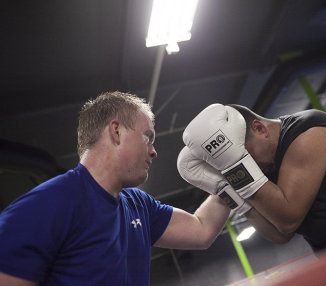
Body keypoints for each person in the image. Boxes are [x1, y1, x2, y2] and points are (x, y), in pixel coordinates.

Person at [0, 92, 233, 286]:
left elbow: (202, 231)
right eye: (147, 137)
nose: (154, 151)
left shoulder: (139, 204)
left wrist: (231, 172)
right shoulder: (48, 204)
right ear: (117, 131)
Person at [179, 103, 326, 285]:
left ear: (260, 128)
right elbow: (279, 235)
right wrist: (229, 191)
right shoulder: (263, 170)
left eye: (245, 155)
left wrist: (237, 167)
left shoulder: (309, 131)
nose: (249, 166)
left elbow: (288, 219)